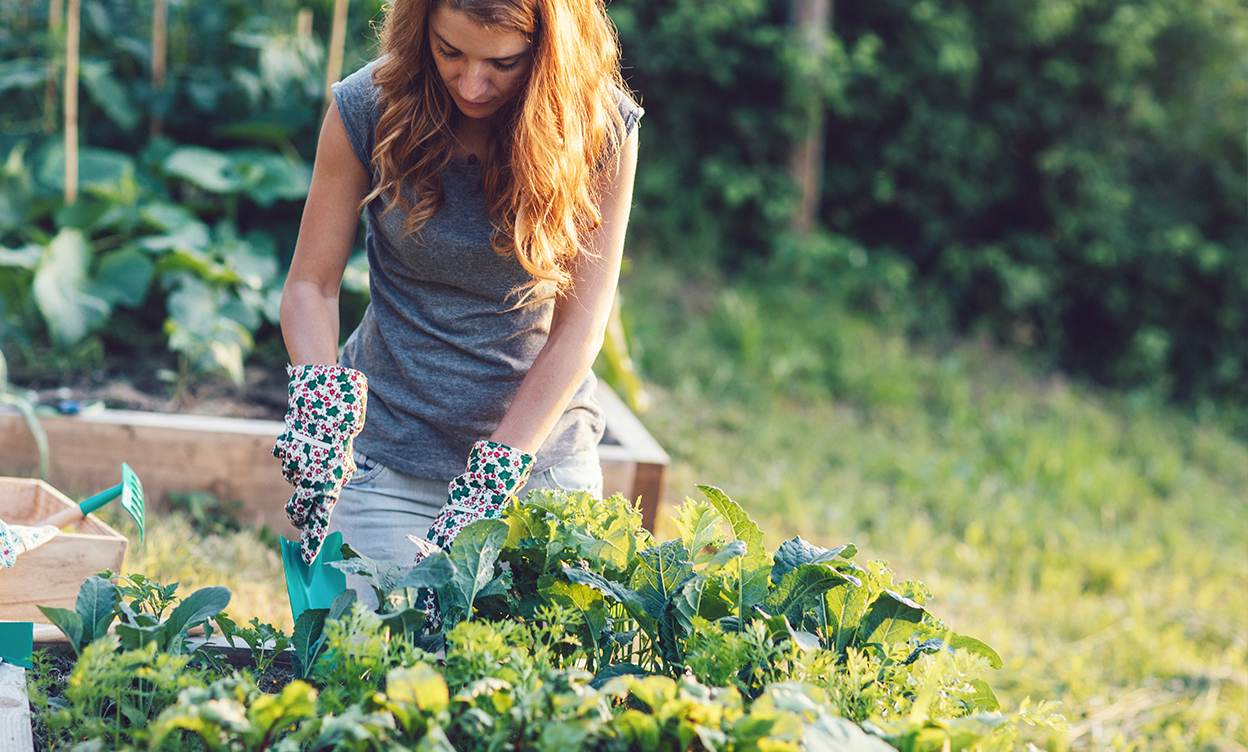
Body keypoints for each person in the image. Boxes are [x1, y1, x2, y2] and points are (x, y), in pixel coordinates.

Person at [271, 0, 642, 607]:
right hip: (388, 461)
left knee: (535, 692)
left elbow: (578, 334)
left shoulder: (598, 127)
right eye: (450, 52)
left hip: (537, 468)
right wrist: (320, 403)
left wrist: (496, 473)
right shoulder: (370, 105)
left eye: (504, 62)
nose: (473, 83)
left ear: (548, 50)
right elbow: (311, 285)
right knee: (374, 678)